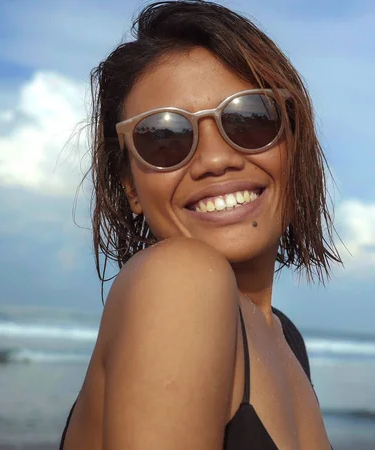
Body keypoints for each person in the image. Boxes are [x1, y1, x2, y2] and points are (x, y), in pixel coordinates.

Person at [60, 1, 341, 448]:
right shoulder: (179, 279)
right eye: (163, 137)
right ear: (130, 187)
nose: (215, 159)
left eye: (251, 119)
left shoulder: (285, 337)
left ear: (293, 144)